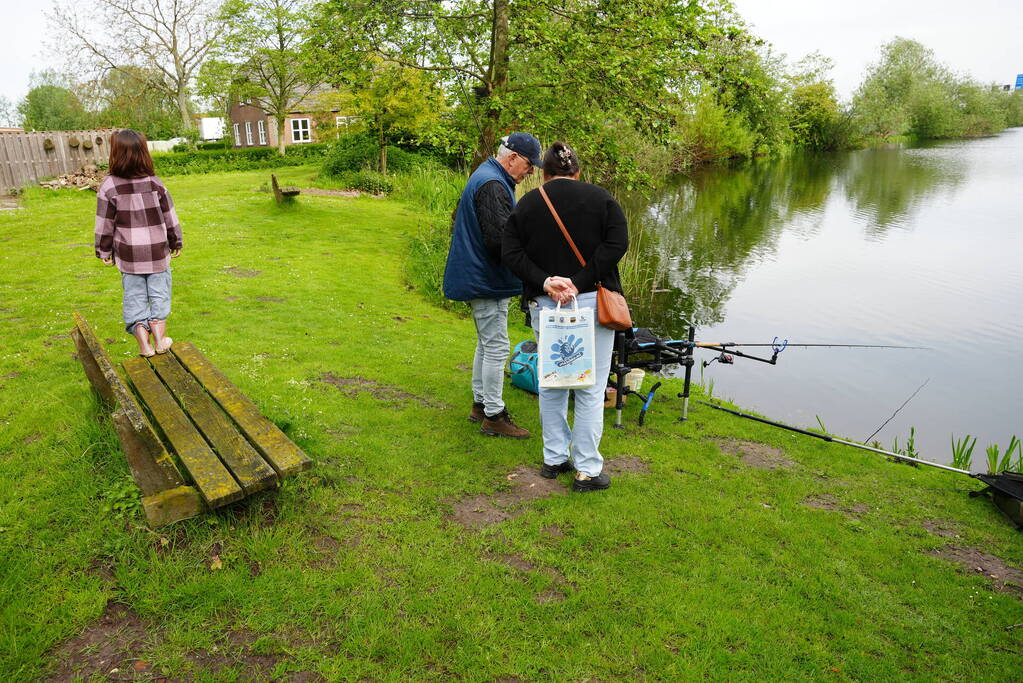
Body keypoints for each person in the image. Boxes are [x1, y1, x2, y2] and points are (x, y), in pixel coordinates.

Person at [502, 142, 628, 492]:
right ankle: (586, 468)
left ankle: (554, 457)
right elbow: (618, 244)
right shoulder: (602, 199)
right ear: (578, 172)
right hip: (592, 303)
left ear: (543, 173)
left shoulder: (528, 203)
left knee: (552, 381)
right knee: (590, 387)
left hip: (547, 304)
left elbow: (510, 251)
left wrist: (546, 280)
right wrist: (579, 281)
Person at [443, 132, 543, 439]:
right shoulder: (492, 184)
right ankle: (494, 415)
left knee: (487, 344)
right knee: (497, 347)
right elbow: (498, 240)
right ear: (512, 158)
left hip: (483, 276)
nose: (531, 172)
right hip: (484, 279)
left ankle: (480, 404)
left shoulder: (489, 176)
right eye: (529, 165)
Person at [94, 129, 182, 357]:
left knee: (134, 297)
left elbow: (104, 224)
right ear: (143, 153)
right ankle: (161, 339)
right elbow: (170, 217)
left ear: (115, 153)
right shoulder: (155, 183)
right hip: (157, 253)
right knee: (159, 293)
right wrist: (176, 241)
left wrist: (103, 251)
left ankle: (145, 345)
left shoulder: (109, 186)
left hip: (128, 256)